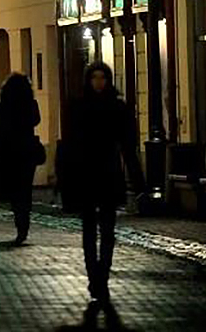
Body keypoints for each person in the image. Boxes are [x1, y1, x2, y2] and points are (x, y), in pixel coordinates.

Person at [62, 61, 144, 304]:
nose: (99, 82)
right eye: (95, 78)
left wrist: (138, 179)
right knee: (89, 230)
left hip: (108, 173)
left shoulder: (117, 107)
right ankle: (93, 275)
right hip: (86, 174)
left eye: (102, 78)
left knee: (108, 230)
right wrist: (66, 176)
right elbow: (69, 144)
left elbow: (128, 145)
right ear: (88, 80)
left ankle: (102, 276)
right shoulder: (78, 107)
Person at [0, 73, 42, 245]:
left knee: (14, 189)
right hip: (26, 152)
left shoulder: (3, 107)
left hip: (10, 152)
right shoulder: (30, 104)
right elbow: (36, 120)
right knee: (25, 188)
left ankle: (20, 220)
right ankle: (24, 221)